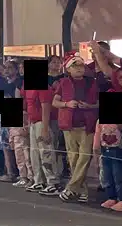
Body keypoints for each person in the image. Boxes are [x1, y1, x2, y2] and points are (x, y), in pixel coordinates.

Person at [53, 56, 99, 203]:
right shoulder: (63, 82)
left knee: (84, 157)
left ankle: (71, 187)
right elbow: (55, 102)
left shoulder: (92, 83)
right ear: (68, 69)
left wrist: (89, 106)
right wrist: (67, 104)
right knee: (73, 158)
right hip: (69, 125)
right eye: (75, 65)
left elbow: (99, 103)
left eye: (81, 65)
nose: (79, 68)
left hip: (87, 125)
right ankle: (82, 190)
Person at [97, 66, 122, 212]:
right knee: (108, 170)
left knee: (121, 171)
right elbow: (101, 121)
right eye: (121, 78)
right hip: (107, 139)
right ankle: (111, 196)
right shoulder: (111, 94)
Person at [25, 67, 59, 196]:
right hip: (34, 122)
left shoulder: (43, 87)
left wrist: (45, 128)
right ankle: (39, 179)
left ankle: (52, 181)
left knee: (46, 151)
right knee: (34, 152)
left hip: (41, 122)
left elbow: (46, 107)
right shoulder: (30, 88)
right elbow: (29, 106)